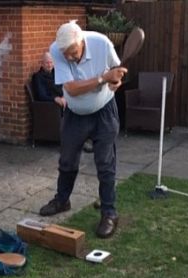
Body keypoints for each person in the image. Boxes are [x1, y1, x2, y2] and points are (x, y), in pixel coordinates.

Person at [39, 20, 127, 239]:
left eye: (73, 52)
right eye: (65, 54)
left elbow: (117, 72)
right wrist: (102, 78)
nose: (69, 57)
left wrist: (115, 82)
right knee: (67, 160)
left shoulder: (102, 43)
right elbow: (71, 90)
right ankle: (62, 200)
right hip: (75, 115)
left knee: (105, 164)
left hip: (104, 112)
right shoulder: (56, 50)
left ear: (82, 41)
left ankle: (109, 213)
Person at [32, 52, 94, 153]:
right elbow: (41, 95)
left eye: (51, 62)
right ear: (42, 64)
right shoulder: (38, 77)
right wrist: (55, 99)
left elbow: (63, 87)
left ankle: (84, 138)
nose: (49, 65)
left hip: (64, 101)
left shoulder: (56, 73)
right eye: (47, 63)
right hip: (51, 106)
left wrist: (65, 96)